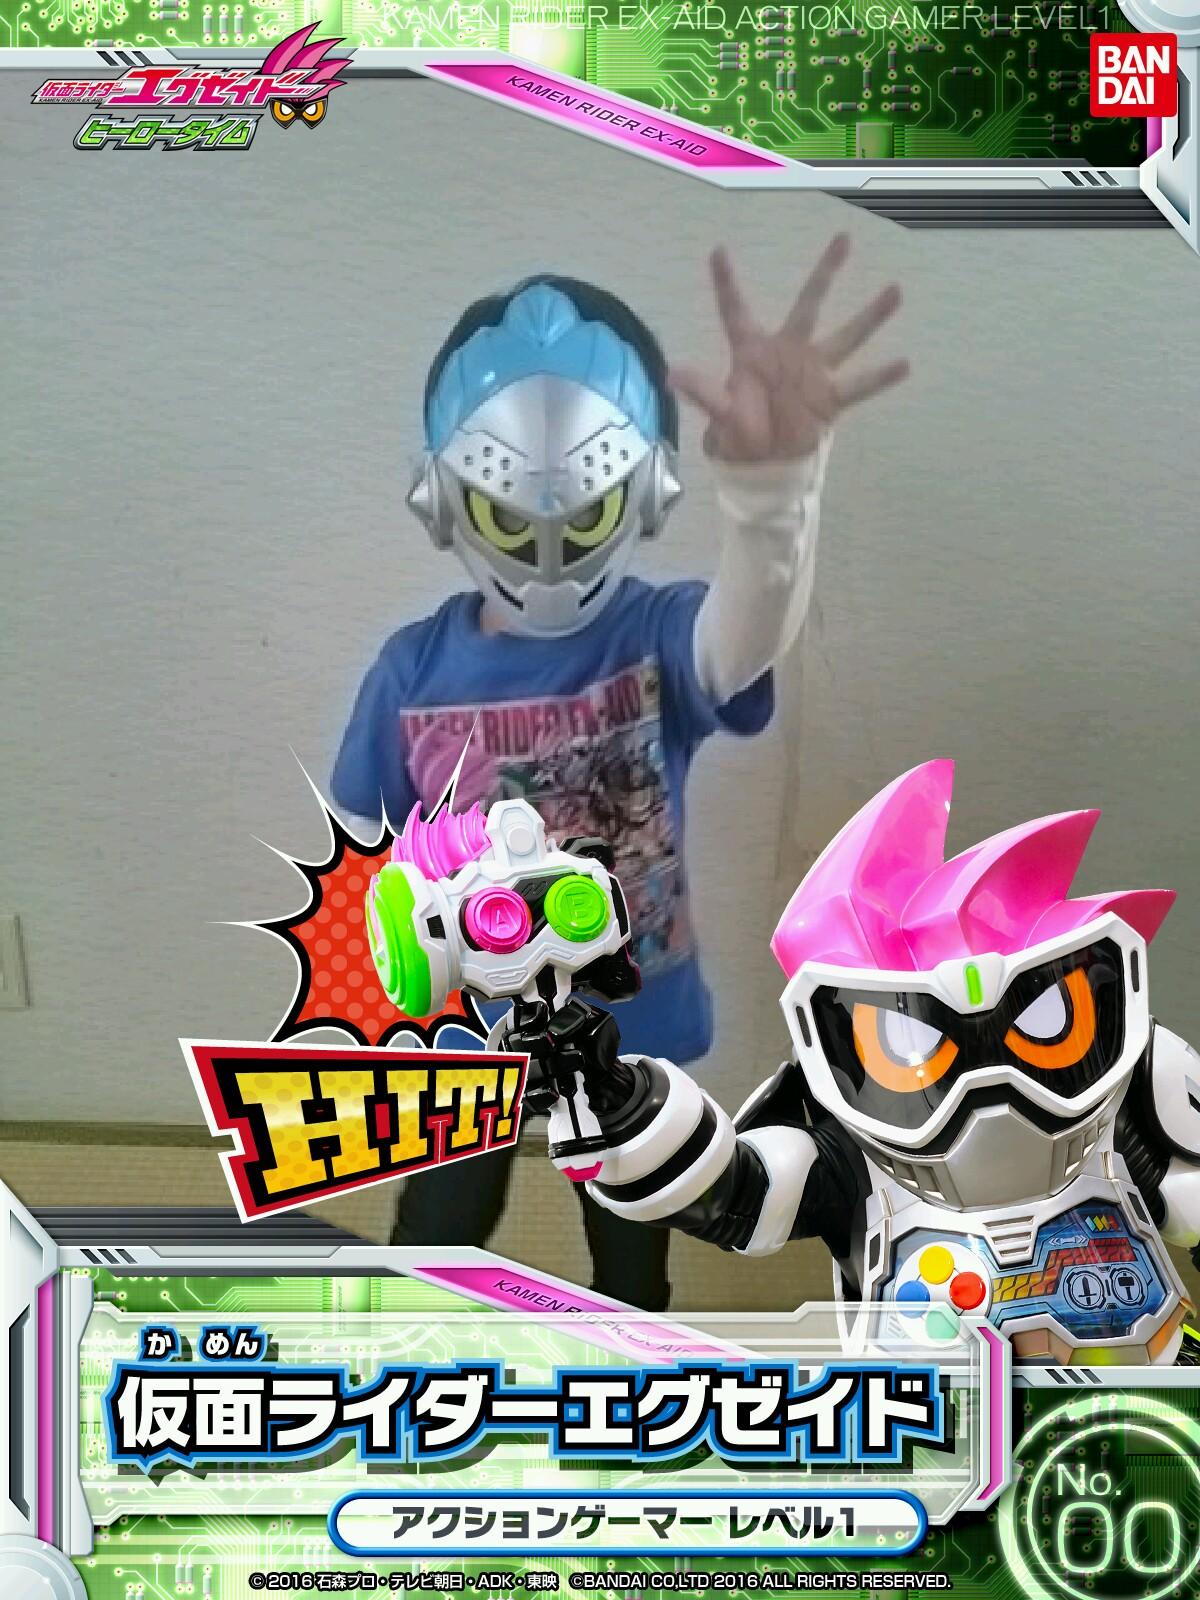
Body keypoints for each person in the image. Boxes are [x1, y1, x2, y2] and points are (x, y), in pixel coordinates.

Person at [330, 237, 908, 1310]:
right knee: (442, 1229)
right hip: (463, 1029)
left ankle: (632, 1365)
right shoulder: (410, 672)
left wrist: (774, 499)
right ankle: (415, 1357)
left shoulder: (655, 635)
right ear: (445, 499)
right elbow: (362, 850)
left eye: (582, 514)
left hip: (628, 1013)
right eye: (510, 517)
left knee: (636, 1238)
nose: (548, 554)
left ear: (643, 492)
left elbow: (740, 640)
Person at [538, 760, 1200, 1365]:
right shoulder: (849, 1151)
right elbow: (733, 1193)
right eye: (920, 1035)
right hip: (939, 1429)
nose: (987, 1080)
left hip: (1150, 1401)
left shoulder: (1129, 1097)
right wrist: (615, 1099)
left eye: (1037, 1020)